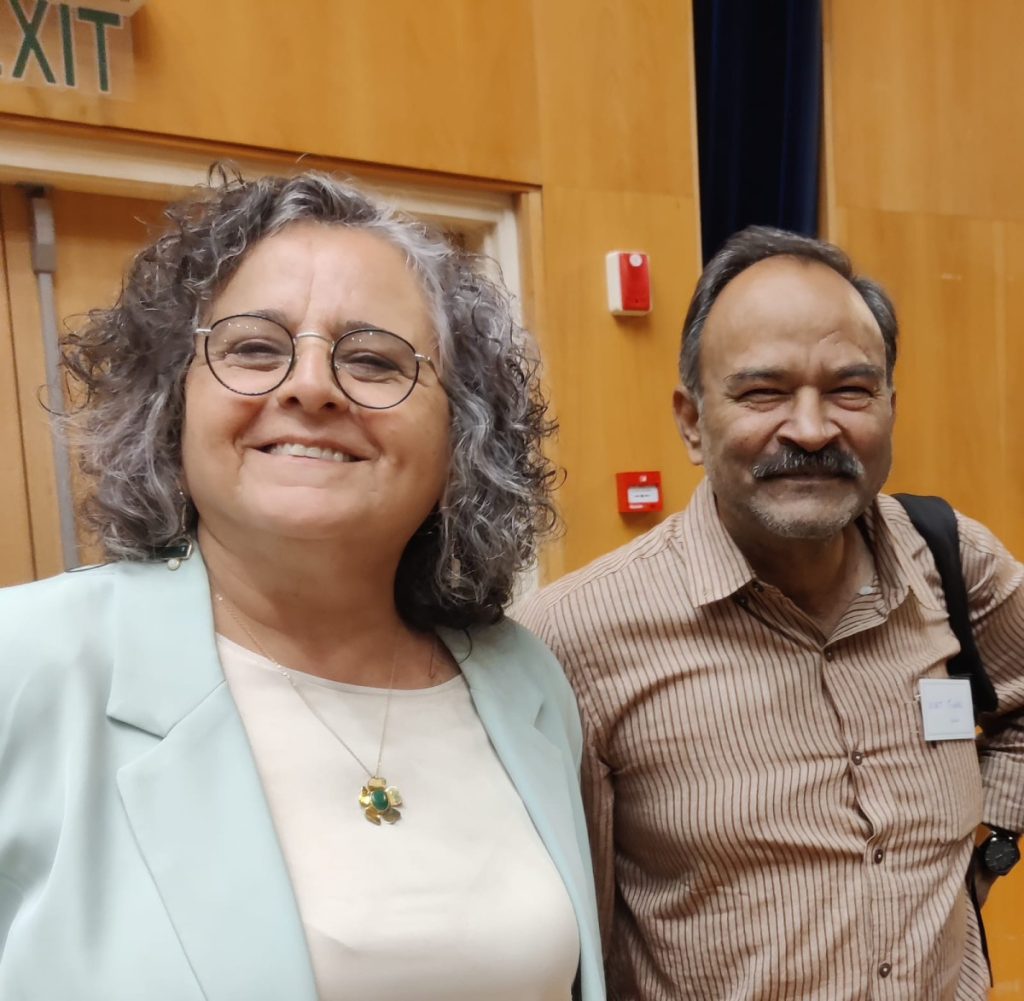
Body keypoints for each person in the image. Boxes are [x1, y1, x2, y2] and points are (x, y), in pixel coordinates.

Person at [0, 170, 604, 1001]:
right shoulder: (26, 664)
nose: (310, 385)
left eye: (373, 359)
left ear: (463, 430)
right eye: (254, 347)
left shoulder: (522, 679)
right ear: (172, 405)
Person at [517, 226, 1024, 1000]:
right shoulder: (572, 641)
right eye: (763, 392)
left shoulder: (954, 561)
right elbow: (563, 939)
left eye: (850, 390)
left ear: (890, 407)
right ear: (692, 420)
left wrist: (987, 847)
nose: (813, 429)